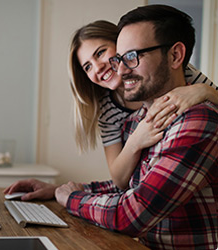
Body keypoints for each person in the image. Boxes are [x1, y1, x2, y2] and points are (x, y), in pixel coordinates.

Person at [54, 5, 218, 249]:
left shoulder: (197, 117)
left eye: (131, 56)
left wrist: (74, 199)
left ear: (175, 57)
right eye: (120, 59)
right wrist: (61, 190)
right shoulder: (130, 117)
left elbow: (131, 213)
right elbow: (129, 181)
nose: (117, 69)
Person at [69, 20, 218, 190]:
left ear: (121, 44)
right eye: (87, 67)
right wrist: (136, 140)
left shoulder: (175, 69)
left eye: (100, 53)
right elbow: (118, 177)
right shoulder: (108, 109)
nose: (98, 67)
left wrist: (204, 91)